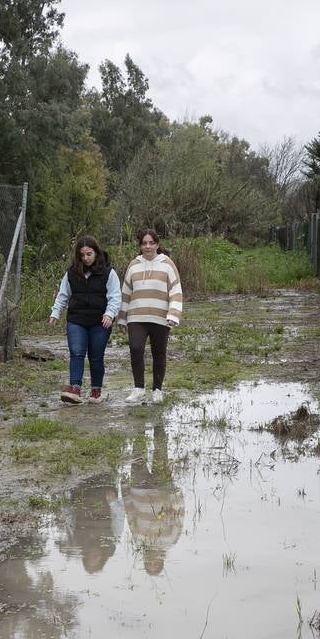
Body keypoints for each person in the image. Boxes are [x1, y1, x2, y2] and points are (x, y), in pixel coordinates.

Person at [49, 236, 121, 404]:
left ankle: (96, 390)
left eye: (89, 254)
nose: (86, 258)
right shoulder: (71, 273)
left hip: (100, 321)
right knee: (77, 353)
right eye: (82, 255)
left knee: (96, 356)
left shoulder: (109, 273)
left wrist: (110, 314)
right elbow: (63, 295)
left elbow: (115, 297)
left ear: (96, 252)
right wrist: (55, 313)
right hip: (77, 320)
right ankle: (75, 388)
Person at [117, 229, 183, 404]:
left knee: (158, 353)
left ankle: (157, 390)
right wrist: (122, 318)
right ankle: (138, 389)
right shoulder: (134, 265)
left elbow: (176, 290)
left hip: (161, 317)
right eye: (144, 243)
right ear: (140, 245)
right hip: (136, 317)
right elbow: (126, 293)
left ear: (157, 245)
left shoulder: (167, 264)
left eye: (151, 243)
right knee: (136, 348)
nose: (147, 246)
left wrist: (173, 314)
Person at [122, 425, 185, 575]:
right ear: (160, 561)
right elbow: (179, 518)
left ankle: (139, 427)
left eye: (149, 564)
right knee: (161, 455)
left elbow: (131, 515)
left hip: (138, 489)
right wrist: (175, 496)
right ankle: (159, 426)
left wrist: (124, 490)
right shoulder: (169, 541)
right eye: (155, 564)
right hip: (163, 489)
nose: (152, 561)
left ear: (145, 560)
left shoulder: (139, 540)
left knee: (137, 456)